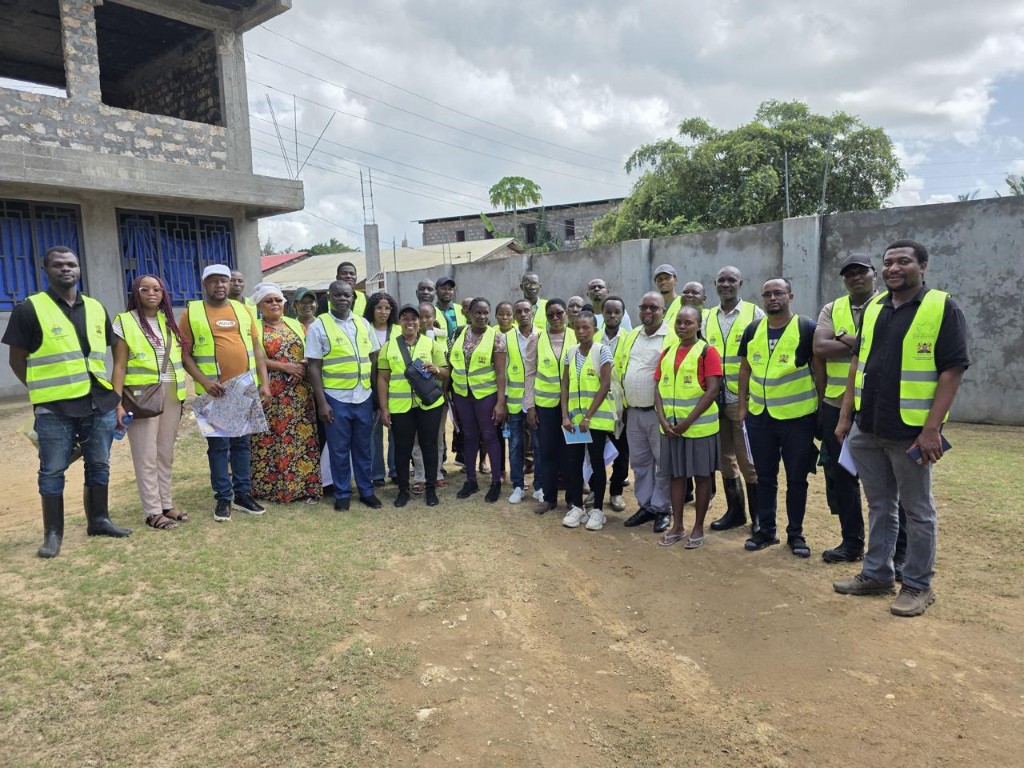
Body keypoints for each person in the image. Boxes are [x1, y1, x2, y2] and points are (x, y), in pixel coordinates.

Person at [834, 239, 969, 617]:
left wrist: (931, 429)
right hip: (868, 426)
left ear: (922, 265)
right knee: (880, 505)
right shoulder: (875, 307)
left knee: (917, 510)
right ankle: (877, 573)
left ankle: (918, 585)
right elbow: (858, 363)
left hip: (910, 432)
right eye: (889, 262)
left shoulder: (943, 307)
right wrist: (847, 417)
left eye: (903, 262)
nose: (895, 268)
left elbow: (952, 371)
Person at [3, 246, 132, 557]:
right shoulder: (29, 309)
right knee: (52, 470)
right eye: (58, 265)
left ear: (79, 269)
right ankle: (53, 534)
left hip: (97, 403)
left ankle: (99, 520)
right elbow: (16, 360)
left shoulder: (95, 307)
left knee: (99, 463)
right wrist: (40, 389)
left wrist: (115, 395)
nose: (66, 269)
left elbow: (115, 349)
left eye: (71, 264)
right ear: (46, 270)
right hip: (55, 407)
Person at [737, 277, 821, 558]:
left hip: (798, 418)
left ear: (790, 296)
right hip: (760, 417)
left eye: (779, 293)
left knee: (797, 478)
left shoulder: (806, 328)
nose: (773, 298)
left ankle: (795, 534)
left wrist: (821, 407)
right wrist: (742, 406)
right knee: (765, 477)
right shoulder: (753, 330)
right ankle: (766, 531)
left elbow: (818, 369)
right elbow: (745, 368)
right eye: (767, 294)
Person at [181, 264, 272, 521]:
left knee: (242, 444)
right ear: (205, 285)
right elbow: (184, 354)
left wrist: (264, 382)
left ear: (230, 284)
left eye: (224, 280)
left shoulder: (244, 311)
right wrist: (204, 381)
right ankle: (223, 498)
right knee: (219, 446)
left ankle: (243, 495)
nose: (220, 285)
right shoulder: (191, 313)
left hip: (244, 388)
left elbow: (256, 347)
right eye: (214, 281)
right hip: (214, 392)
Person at [813, 254, 879, 563]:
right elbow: (820, 348)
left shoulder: (888, 306)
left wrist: (841, 337)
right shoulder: (832, 308)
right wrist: (859, 341)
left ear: (873, 274)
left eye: (861, 272)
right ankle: (852, 542)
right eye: (849, 274)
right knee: (841, 475)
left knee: (882, 479)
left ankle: (893, 551)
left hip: (878, 405)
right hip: (835, 404)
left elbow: (884, 345)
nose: (855, 277)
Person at [110, 275, 188, 530]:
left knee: (164, 453)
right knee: (145, 454)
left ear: (164, 293)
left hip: (172, 393)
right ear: (136, 292)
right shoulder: (125, 321)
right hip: (141, 395)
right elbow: (119, 365)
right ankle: (152, 511)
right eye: (145, 289)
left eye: (157, 289)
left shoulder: (168, 322)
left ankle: (166, 503)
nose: (152, 293)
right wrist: (117, 403)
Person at [306, 280, 382, 511]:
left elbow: (374, 358)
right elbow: (314, 367)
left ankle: (366, 491)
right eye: (337, 295)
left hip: (363, 396)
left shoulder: (362, 323)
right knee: (338, 449)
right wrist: (322, 403)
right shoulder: (319, 326)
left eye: (347, 295)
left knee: (363, 447)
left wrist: (376, 395)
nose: (342, 299)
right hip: (335, 398)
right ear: (329, 297)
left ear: (353, 298)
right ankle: (342, 493)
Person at [654, 306, 723, 547]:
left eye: (688, 322)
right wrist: (663, 419)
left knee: (703, 477)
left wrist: (687, 421)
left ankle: (698, 527)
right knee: (676, 476)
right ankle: (678, 526)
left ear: (699, 325)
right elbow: (658, 389)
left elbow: (713, 390)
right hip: (671, 429)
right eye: (679, 323)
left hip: (699, 429)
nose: (682, 327)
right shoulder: (667, 352)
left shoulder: (707, 352)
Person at [706, 266, 765, 533]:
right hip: (714, 399)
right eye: (721, 280)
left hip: (743, 400)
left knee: (748, 460)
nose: (726, 284)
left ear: (741, 283)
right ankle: (735, 512)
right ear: (715, 285)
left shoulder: (755, 314)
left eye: (731, 280)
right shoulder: (707, 317)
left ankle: (759, 517)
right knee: (724, 458)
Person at [250, 283, 320, 504]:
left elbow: (312, 347)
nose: (274, 304)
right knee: (271, 439)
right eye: (268, 301)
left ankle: (304, 487)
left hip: (299, 393)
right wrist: (286, 367)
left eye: (278, 300)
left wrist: (303, 363)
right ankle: (272, 490)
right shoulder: (256, 327)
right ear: (260, 305)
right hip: (272, 392)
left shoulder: (295, 324)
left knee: (301, 438)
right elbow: (256, 357)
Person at [378, 304, 450, 508]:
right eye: (405, 318)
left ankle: (430, 489)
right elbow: (383, 378)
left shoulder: (431, 344)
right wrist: (384, 408)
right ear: (399, 322)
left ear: (420, 321)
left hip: (428, 405)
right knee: (402, 449)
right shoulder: (389, 346)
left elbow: (446, 371)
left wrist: (436, 368)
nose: (410, 322)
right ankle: (403, 490)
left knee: (429, 446)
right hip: (400, 407)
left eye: (414, 319)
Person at [617, 292, 673, 534]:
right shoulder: (631, 335)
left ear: (663, 310)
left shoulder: (671, 336)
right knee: (640, 463)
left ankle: (663, 509)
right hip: (634, 412)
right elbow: (622, 367)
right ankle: (646, 506)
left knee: (663, 463)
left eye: (654, 308)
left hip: (658, 414)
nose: (648, 312)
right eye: (644, 307)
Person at [560, 310, 616, 530]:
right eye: (577, 327)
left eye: (586, 327)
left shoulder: (602, 351)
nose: (581, 331)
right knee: (573, 462)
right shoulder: (570, 352)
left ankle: (598, 510)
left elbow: (605, 385)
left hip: (595, 421)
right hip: (573, 421)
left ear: (595, 329)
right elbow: (564, 385)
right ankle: (576, 507)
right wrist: (565, 415)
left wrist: (589, 416)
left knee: (596, 463)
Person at [449, 298, 508, 502]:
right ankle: (471, 480)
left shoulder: (496, 337)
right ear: (470, 314)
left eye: (485, 313)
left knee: (490, 436)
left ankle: (495, 483)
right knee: (469, 435)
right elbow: (453, 362)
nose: (482, 317)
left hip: (486, 395)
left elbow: (501, 373)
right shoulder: (459, 333)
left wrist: (501, 402)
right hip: (463, 394)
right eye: (478, 313)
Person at [526, 298, 576, 514]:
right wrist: (530, 406)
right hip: (545, 406)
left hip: (572, 406)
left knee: (571, 453)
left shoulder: (577, 336)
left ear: (566, 314)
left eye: (559, 313)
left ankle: (573, 499)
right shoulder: (537, 339)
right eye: (550, 315)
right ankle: (549, 498)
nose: (555, 318)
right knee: (547, 453)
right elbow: (530, 373)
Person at [410, 302, 448, 493]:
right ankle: (419, 476)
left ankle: (437, 473)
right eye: (420, 317)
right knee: (417, 438)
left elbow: (448, 370)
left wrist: (438, 370)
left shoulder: (441, 338)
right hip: (413, 398)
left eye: (428, 316)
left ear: (434, 317)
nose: (424, 321)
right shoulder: (407, 340)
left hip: (436, 397)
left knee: (437, 436)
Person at [598, 295, 630, 513]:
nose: (612, 315)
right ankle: (595, 489)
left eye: (616, 312)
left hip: (622, 404)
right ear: (602, 313)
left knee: (622, 450)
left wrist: (628, 404)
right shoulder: (593, 337)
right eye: (608, 312)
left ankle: (616, 491)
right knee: (595, 450)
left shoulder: (630, 338)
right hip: (598, 403)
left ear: (622, 314)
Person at [365, 291, 400, 488]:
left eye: (387, 308)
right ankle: (376, 473)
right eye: (379, 307)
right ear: (372, 309)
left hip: (393, 387)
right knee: (373, 432)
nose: (383, 311)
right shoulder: (363, 327)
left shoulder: (397, 329)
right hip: (368, 388)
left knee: (396, 430)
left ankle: (395, 470)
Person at [506, 299, 538, 504]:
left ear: (532, 312)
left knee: (538, 445)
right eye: (519, 311)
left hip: (536, 401)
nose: (523, 314)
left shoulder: (542, 335)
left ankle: (540, 485)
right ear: (514, 316)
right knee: (516, 444)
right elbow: (501, 372)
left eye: (526, 310)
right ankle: (518, 485)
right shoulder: (506, 337)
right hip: (515, 401)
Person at [435, 276, 466, 341]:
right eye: (443, 289)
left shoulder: (461, 309)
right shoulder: (431, 311)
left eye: (450, 289)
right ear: (436, 292)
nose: (447, 292)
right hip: (440, 349)